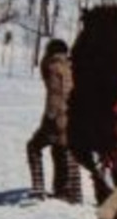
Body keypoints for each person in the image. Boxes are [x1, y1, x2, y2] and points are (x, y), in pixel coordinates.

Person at [26, 39, 80, 203]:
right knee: (64, 150)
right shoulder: (72, 66)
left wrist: (50, 118)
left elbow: (55, 95)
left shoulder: (52, 66)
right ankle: (71, 193)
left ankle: (38, 189)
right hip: (73, 118)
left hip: (57, 118)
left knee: (34, 147)